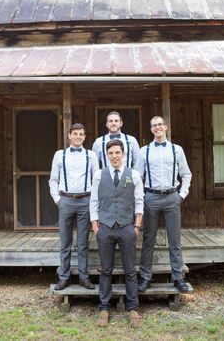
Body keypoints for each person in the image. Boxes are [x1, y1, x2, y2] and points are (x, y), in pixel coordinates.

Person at [90, 139, 144, 327]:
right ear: (107, 155)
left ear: (123, 154)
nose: (114, 156)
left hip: (127, 228)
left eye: (117, 153)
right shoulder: (99, 175)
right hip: (105, 228)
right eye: (111, 153)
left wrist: (136, 226)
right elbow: (94, 202)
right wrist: (96, 226)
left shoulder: (134, 175)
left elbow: (139, 201)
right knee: (106, 270)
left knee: (130, 270)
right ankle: (104, 308)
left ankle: (133, 308)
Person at [138, 116, 192, 293]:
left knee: (174, 239)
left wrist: (181, 195)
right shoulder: (143, 151)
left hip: (171, 197)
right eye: (154, 125)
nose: (157, 128)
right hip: (151, 198)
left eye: (160, 124)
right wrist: (141, 198)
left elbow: (186, 174)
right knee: (148, 240)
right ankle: (145, 278)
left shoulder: (177, 150)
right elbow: (138, 177)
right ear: (151, 129)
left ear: (166, 127)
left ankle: (178, 278)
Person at [49, 123, 99, 290]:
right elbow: (53, 180)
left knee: (83, 242)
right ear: (69, 135)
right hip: (66, 201)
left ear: (85, 137)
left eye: (81, 134)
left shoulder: (91, 155)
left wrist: (93, 201)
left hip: (85, 201)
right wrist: (58, 200)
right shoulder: (59, 155)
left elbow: (96, 180)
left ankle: (84, 277)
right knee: (65, 241)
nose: (78, 137)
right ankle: (64, 277)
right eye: (75, 133)